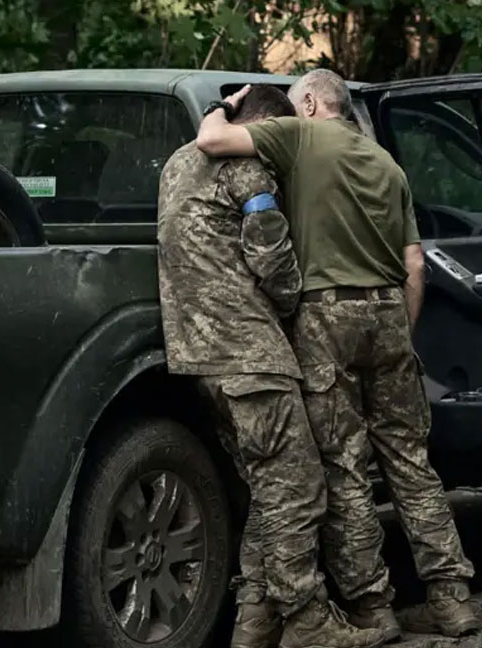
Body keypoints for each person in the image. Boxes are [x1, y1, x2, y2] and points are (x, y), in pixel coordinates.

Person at [195, 70, 478, 641]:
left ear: (308, 101)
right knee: (411, 463)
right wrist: (398, 331)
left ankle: (373, 608)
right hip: (389, 317)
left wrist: (227, 106)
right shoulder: (387, 165)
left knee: (345, 469)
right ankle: (451, 599)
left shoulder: (299, 135)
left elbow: (210, 142)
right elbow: (415, 266)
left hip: (324, 317)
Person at [157, 84, 385, 648]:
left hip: (196, 354)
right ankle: (308, 621)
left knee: (268, 490)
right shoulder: (248, 168)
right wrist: (293, 305)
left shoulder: (176, 164)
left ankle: (255, 622)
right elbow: (273, 260)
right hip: (250, 354)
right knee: (301, 488)